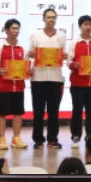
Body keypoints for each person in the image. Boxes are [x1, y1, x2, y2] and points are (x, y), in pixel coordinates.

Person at [29, 8, 66, 149]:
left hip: (56, 78)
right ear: (44, 19)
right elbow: (30, 53)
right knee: (38, 112)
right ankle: (38, 139)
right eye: (49, 17)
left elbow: (63, 54)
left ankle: (52, 139)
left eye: (53, 17)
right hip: (38, 78)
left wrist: (64, 56)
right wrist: (32, 54)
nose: (51, 20)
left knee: (53, 112)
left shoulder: (61, 36)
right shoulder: (36, 35)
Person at [67, 15, 91, 148]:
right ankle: (76, 136)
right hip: (78, 83)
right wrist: (74, 65)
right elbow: (69, 62)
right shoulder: (75, 43)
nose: (88, 27)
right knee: (77, 111)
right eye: (85, 24)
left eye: (90, 24)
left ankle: (90, 135)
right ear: (80, 26)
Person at [0, 19, 28, 151]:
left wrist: (29, 71)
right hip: (3, 86)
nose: (15, 31)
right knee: (2, 113)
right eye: (13, 28)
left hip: (18, 86)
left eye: (17, 28)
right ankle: (2, 138)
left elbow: (26, 65)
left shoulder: (23, 48)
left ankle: (16, 138)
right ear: (6, 30)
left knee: (18, 113)